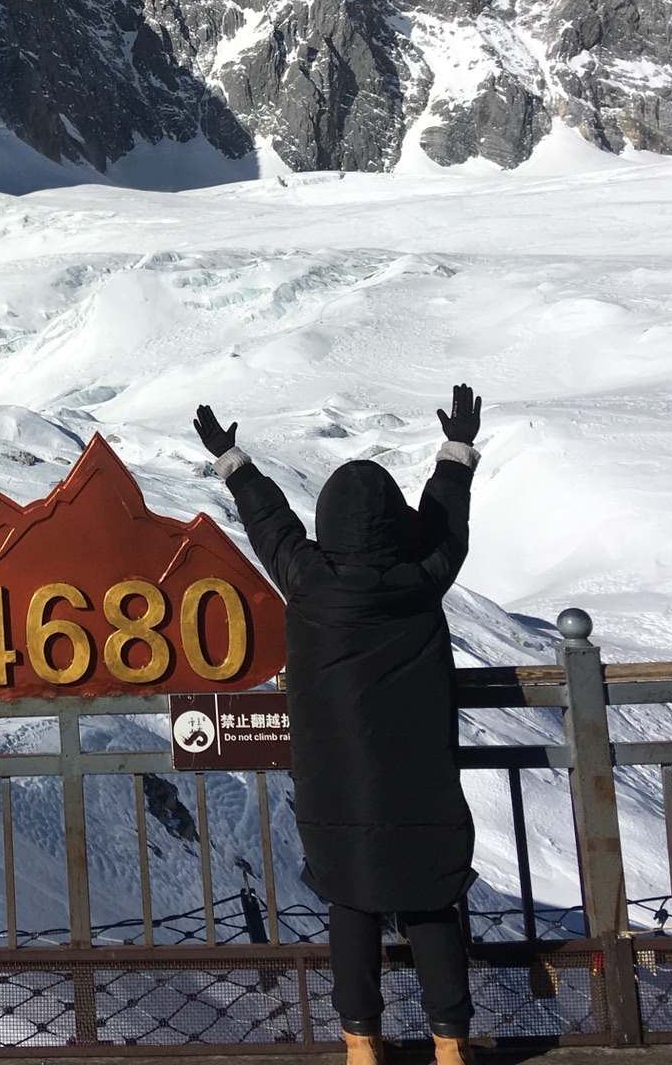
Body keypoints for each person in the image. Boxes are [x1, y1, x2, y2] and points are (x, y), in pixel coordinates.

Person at [193, 385, 484, 1065]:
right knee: (431, 903)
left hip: (334, 788)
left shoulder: (307, 579)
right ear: (394, 524)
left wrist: (230, 458)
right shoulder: (423, 578)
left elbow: (269, 522)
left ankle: (360, 1043)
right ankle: (450, 1046)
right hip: (422, 783)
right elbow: (447, 523)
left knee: (350, 906)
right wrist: (456, 452)